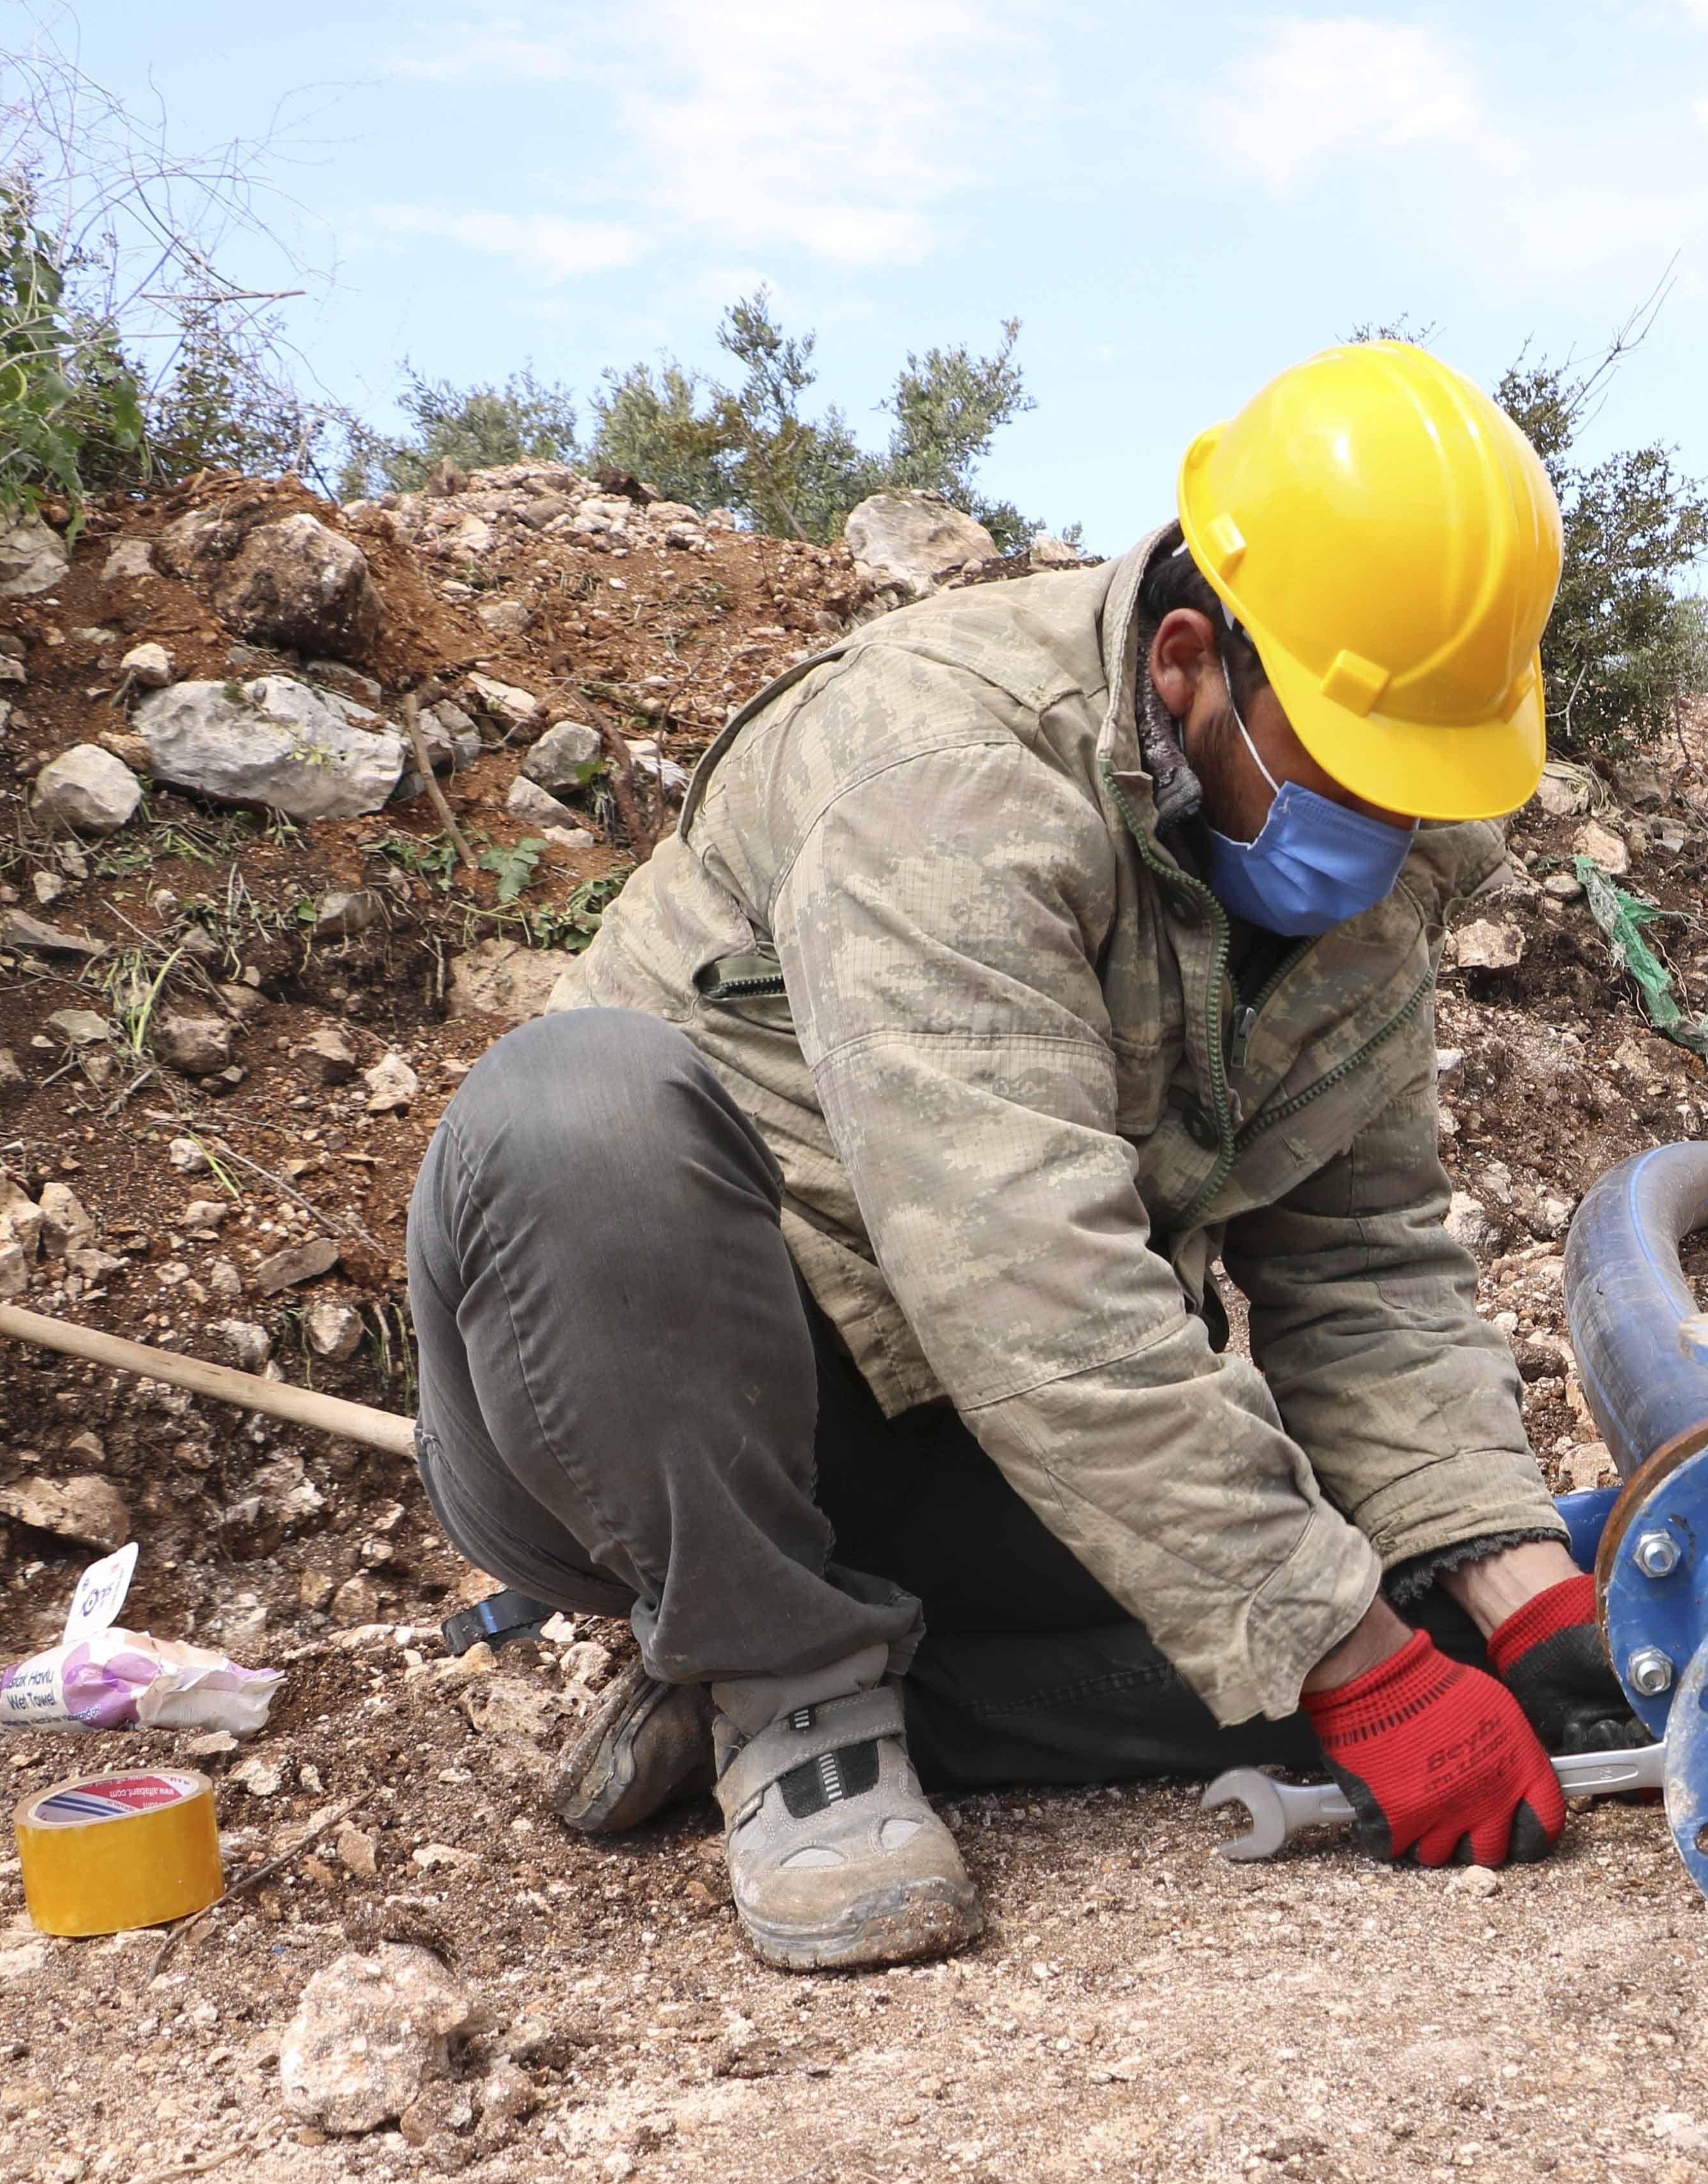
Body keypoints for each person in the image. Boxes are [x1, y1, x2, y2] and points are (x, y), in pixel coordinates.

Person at [402, 341, 1638, 1971]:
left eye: (1420, 784)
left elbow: (1363, 1262)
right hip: (651, 1411)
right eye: (1353, 772)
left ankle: (877, 1697)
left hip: (978, 1428)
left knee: (1344, 1622)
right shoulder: (945, 770)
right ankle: (784, 1685)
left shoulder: (1377, 864)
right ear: (1189, 662)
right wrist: (1350, 1664)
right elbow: (1026, 1272)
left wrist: (1506, 1579)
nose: (1391, 828)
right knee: (580, 1109)